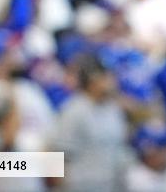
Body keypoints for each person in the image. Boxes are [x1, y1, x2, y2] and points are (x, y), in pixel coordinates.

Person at [55, 54, 131, 192]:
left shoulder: (113, 109)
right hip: (81, 185)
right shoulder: (73, 110)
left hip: (110, 184)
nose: (111, 80)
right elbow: (60, 155)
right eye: (106, 76)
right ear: (93, 79)